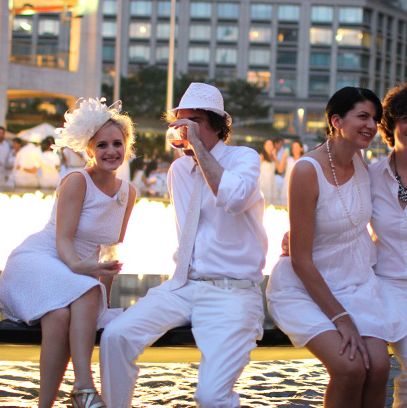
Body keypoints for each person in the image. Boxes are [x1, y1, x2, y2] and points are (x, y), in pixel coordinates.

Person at [100, 82, 267, 408]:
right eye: (179, 122)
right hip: (184, 285)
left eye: (192, 122)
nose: (183, 130)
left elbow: (233, 198)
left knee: (211, 397)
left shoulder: (243, 158)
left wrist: (199, 149)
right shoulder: (179, 169)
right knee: (116, 337)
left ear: (215, 125)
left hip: (232, 291)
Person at [0, 97, 136, 408]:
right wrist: (83, 271)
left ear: (126, 146)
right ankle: (84, 385)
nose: (111, 151)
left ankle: (46, 404)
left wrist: (102, 301)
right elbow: (63, 240)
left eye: (117, 143)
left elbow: (108, 252)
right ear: (89, 149)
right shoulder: (77, 181)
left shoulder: (129, 193)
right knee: (85, 291)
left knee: (60, 315)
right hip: (39, 261)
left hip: (76, 272)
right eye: (102, 145)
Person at [267, 87, 391, 407]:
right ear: (336, 121)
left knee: (378, 367)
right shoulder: (307, 170)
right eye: (363, 116)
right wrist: (341, 318)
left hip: (356, 280)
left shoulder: (360, 159)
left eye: (375, 118)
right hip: (307, 284)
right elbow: (301, 260)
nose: (371, 125)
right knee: (350, 368)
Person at [370, 83, 407, 407]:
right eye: (406, 117)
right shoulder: (370, 176)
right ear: (391, 124)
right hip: (387, 287)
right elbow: (342, 217)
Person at [280, 140, 304, 205]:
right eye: (293, 147)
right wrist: (283, 157)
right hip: (286, 187)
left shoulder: (304, 160)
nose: (294, 149)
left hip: (299, 188)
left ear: (301, 149)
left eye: (296, 147)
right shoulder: (289, 159)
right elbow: (280, 170)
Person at [259, 139, 277, 205]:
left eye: (271, 144)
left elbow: (280, 169)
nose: (269, 146)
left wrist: (275, 156)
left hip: (272, 182)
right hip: (263, 182)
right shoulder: (262, 156)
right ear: (264, 146)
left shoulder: (273, 157)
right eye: (267, 144)